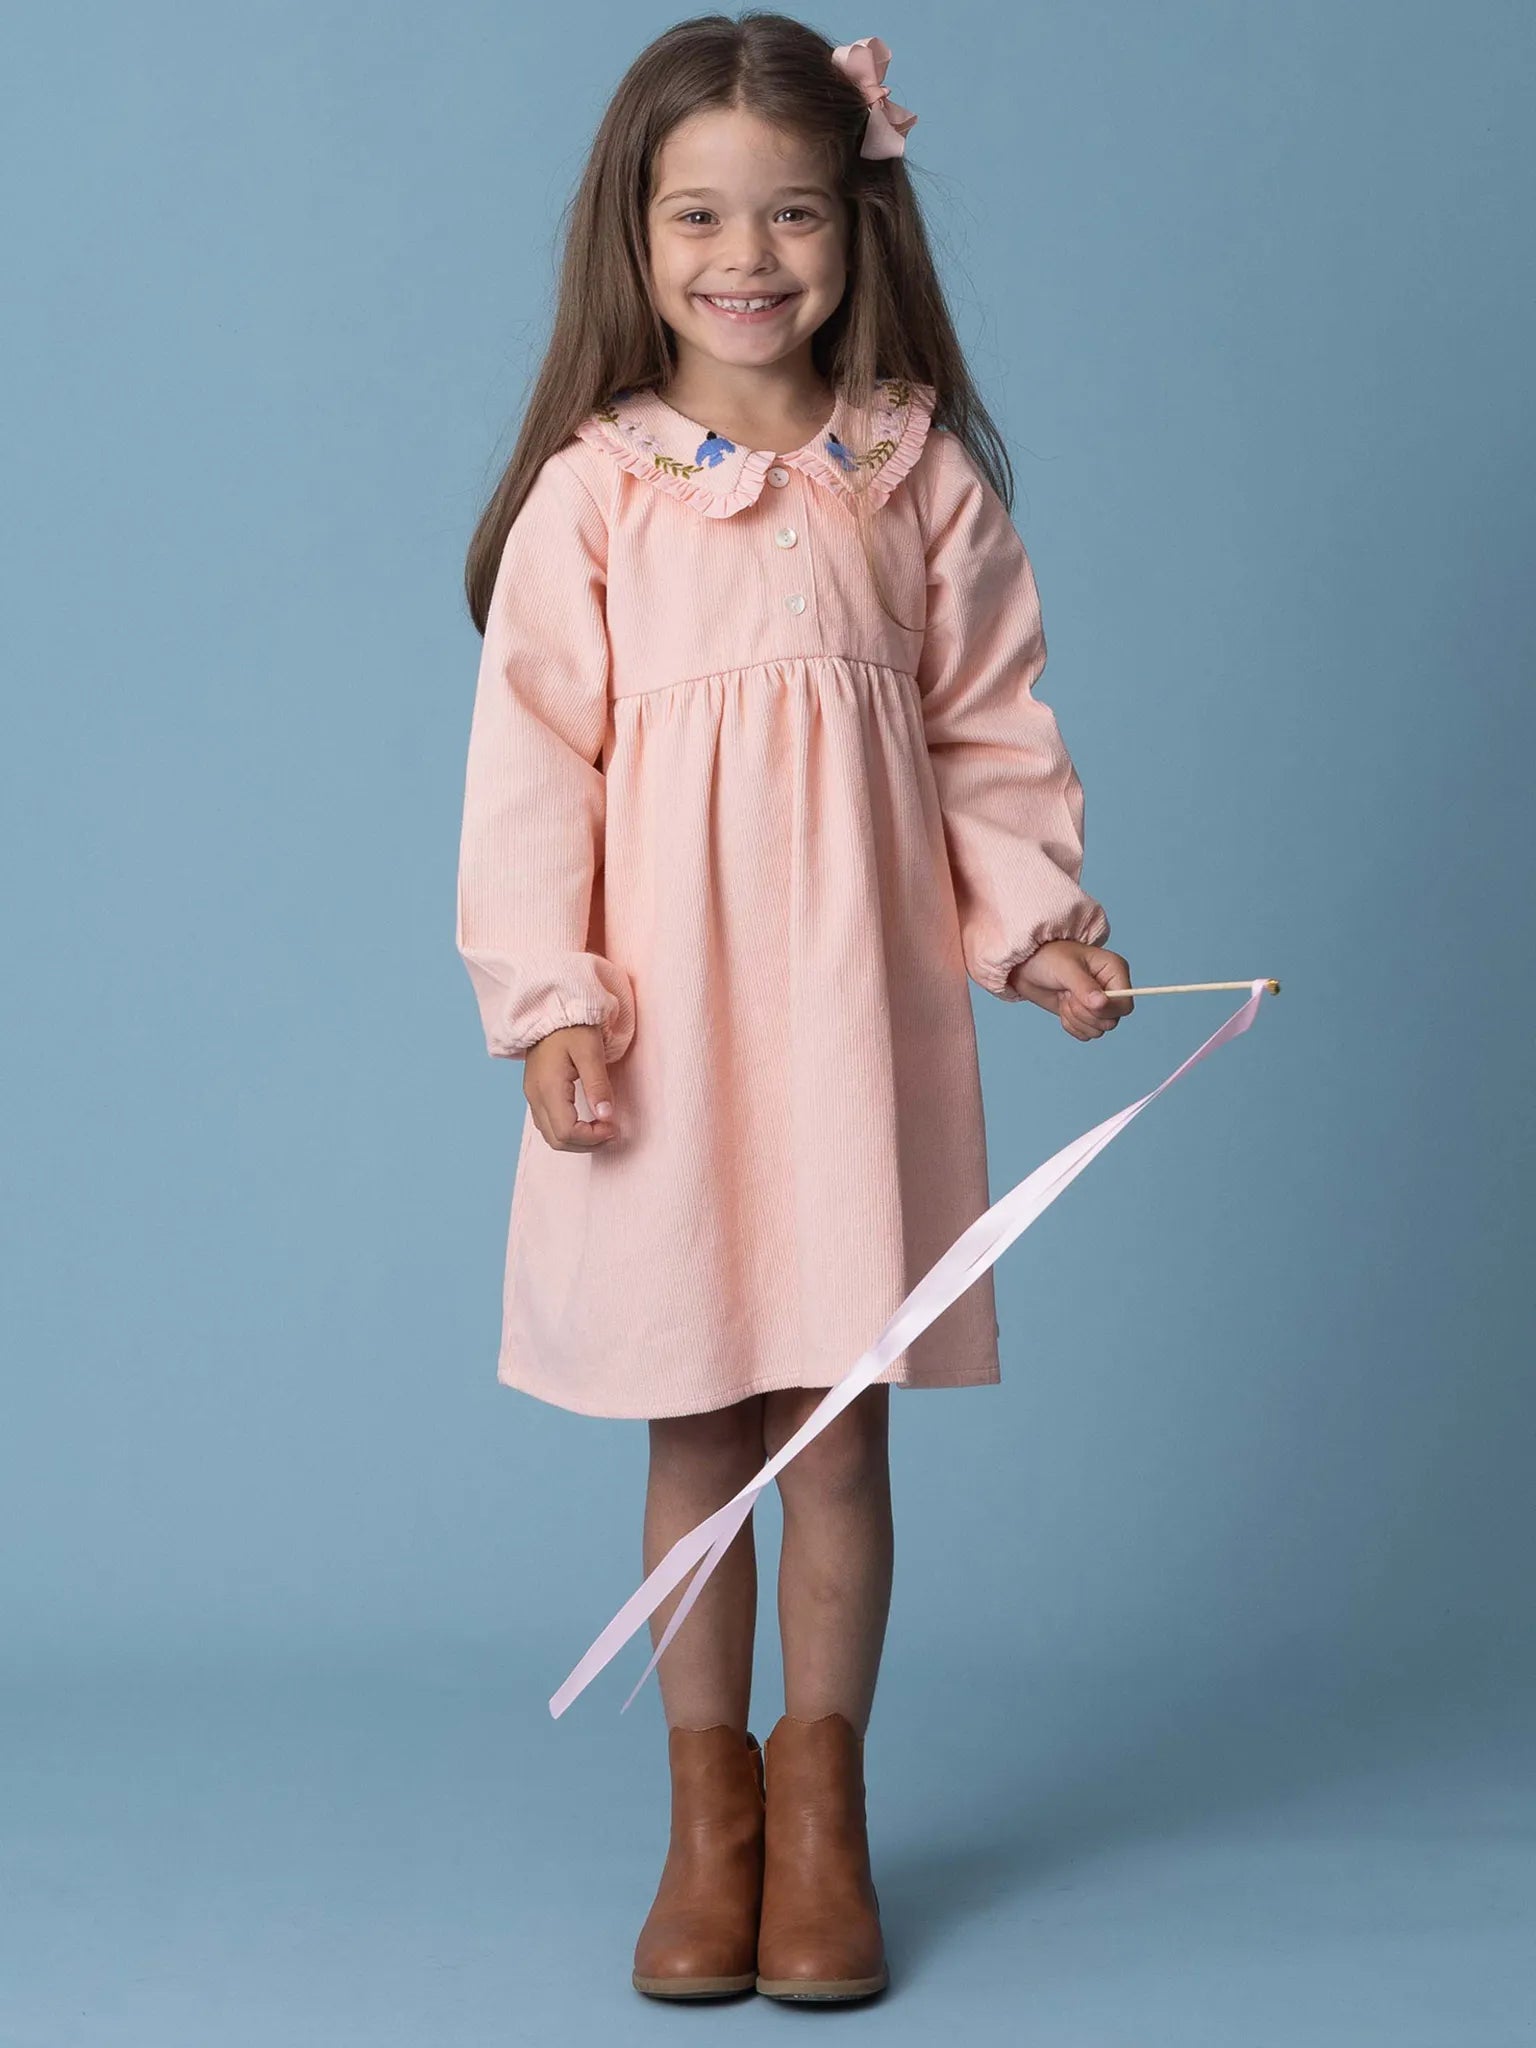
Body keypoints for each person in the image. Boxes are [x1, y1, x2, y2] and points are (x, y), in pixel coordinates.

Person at [454, 11, 1133, 2005]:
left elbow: (986, 739)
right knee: (695, 1421)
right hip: (664, 1039)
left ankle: (820, 1810)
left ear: (858, 223)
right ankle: (707, 1815)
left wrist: (1042, 931)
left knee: (833, 1432)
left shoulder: (910, 479)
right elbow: (530, 780)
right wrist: (552, 1002)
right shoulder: (596, 502)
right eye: (698, 215)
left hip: (850, 1028)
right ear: (633, 237)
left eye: (793, 214)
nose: (747, 256)